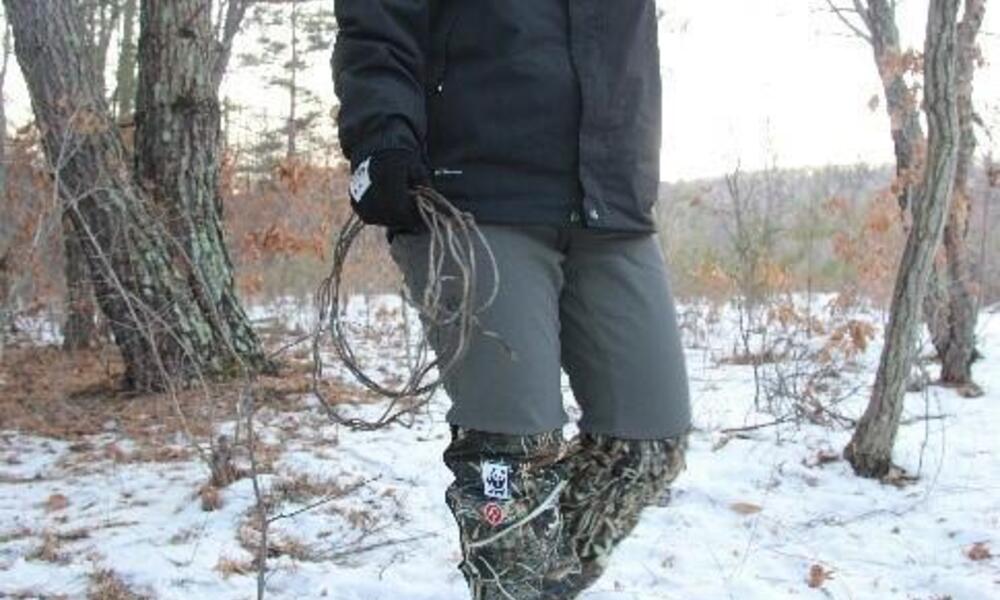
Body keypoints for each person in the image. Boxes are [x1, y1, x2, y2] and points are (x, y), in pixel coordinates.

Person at [332, 2, 691, 598]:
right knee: (509, 458)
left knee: (648, 441)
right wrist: (381, 135)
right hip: (474, 194)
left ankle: (536, 584)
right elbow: (378, 23)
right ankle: (516, 580)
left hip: (612, 195)